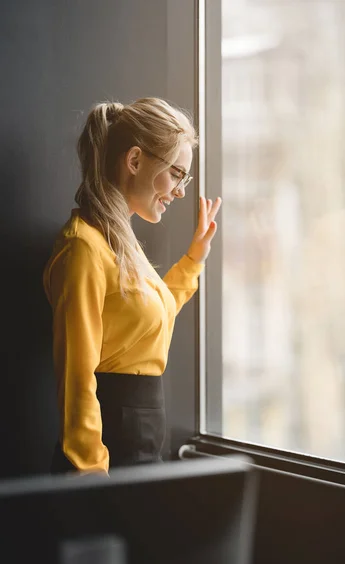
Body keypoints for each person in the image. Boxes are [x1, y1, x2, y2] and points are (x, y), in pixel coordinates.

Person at [43, 97, 222, 475]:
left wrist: (194, 260)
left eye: (184, 178)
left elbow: (152, 321)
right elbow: (77, 378)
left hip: (141, 439)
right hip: (110, 447)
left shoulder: (119, 244)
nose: (181, 191)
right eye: (176, 173)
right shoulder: (83, 248)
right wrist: (92, 473)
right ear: (135, 161)